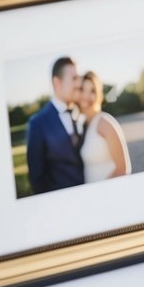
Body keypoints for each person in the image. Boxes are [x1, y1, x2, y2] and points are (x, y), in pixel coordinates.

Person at [26, 56, 85, 194]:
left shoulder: (82, 113)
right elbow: (37, 179)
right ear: (57, 83)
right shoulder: (38, 124)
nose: (79, 84)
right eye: (74, 78)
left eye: (78, 78)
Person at [77, 70, 132, 183]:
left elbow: (123, 169)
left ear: (98, 94)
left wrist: (101, 193)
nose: (87, 96)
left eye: (92, 91)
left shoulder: (105, 122)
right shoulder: (84, 125)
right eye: (83, 90)